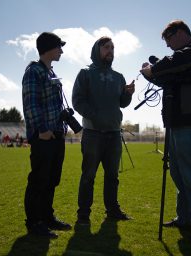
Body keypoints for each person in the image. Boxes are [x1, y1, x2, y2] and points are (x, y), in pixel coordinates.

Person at [141, 20, 191, 240]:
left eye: (168, 39)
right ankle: (185, 218)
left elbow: (172, 63)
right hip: (176, 123)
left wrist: (151, 69)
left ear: (181, 33)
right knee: (179, 174)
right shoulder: (185, 56)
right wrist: (153, 74)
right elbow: (168, 78)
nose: (167, 46)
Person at [72, 36, 135, 224]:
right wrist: (97, 116)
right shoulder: (85, 73)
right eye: (106, 47)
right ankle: (83, 214)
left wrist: (128, 94)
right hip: (92, 134)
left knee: (112, 177)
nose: (110, 51)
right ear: (97, 50)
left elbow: (122, 104)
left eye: (113, 48)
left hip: (114, 134)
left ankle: (112, 210)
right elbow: (77, 101)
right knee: (88, 176)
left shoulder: (119, 77)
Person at [22, 32, 71, 238]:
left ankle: (47, 217)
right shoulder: (34, 71)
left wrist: (65, 116)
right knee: (39, 180)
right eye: (59, 46)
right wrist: (41, 130)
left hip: (57, 134)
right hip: (44, 136)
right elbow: (31, 103)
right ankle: (34, 222)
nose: (61, 50)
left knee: (52, 179)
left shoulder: (51, 73)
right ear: (49, 48)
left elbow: (53, 104)